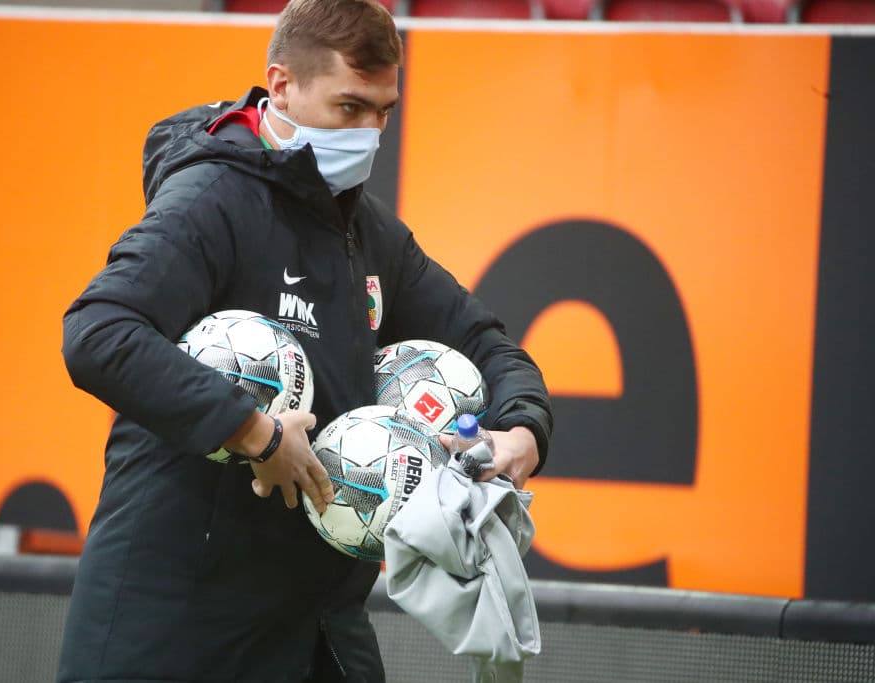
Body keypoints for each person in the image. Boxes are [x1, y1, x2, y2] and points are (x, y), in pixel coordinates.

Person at [57, 1, 552, 681]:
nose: (370, 133)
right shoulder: (212, 197)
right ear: (281, 84)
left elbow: (486, 343)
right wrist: (251, 429)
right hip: (173, 630)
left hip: (316, 631)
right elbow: (97, 332)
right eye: (350, 108)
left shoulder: (372, 234)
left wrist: (522, 430)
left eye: (384, 112)